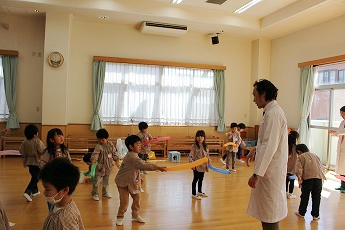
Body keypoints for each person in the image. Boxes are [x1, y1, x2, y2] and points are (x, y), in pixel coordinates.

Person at [246, 79, 288, 230]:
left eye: (255, 95)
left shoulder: (273, 114)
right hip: (269, 171)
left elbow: (270, 146)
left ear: (263, 94)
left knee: (270, 215)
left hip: (270, 173)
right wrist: (255, 148)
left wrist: (256, 175)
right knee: (266, 213)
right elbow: (267, 141)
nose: (253, 99)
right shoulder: (271, 112)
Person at [115, 135, 166, 226]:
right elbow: (143, 165)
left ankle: (135, 215)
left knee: (137, 197)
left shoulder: (134, 155)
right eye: (138, 145)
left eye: (140, 144)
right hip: (122, 182)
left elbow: (134, 169)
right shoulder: (132, 157)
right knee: (124, 202)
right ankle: (120, 217)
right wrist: (157, 167)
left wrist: (139, 178)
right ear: (131, 147)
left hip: (132, 181)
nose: (140, 146)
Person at [40, 158, 85, 230]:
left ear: (65, 190)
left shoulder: (66, 219)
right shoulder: (58, 204)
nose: (44, 193)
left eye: (47, 189)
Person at [39, 128, 71, 211]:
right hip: (52, 180)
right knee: (52, 197)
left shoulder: (65, 150)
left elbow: (69, 162)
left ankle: (61, 211)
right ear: (52, 140)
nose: (62, 137)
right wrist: (50, 171)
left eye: (62, 135)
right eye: (59, 135)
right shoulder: (48, 152)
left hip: (63, 179)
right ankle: (52, 213)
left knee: (62, 196)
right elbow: (42, 164)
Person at [294, 144, 326, 220]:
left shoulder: (301, 157)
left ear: (299, 151)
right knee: (317, 197)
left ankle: (301, 212)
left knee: (305, 196)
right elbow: (321, 167)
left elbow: (298, 170)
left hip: (308, 179)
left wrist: (299, 179)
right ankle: (316, 215)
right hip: (318, 179)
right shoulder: (315, 155)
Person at [90, 128, 120, 201]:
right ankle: (95, 193)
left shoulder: (111, 145)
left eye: (102, 139)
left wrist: (116, 160)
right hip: (100, 167)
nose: (101, 141)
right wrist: (94, 159)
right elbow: (96, 153)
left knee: (106, 182)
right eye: (99, 139)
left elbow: (114, 153)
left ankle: (105, 192)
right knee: (96, 181)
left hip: (108, 166)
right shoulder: (98, 146)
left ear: (107, 138)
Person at [19, 124, 46, 202]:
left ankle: (35, 191)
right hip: (36, 162)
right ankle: (27, 191)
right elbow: (43, 150)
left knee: (34, 176)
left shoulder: (25, 142)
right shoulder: (37, 141)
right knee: (36, 177)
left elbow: (21, 151)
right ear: (35, 134)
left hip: (29, 162)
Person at [189, 130, 210, 200]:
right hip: (196, 166)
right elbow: (191, 156)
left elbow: (207, 155)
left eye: (201, 136)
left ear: (204, 137)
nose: (200, 138)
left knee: (201, 178)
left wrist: (208, 162)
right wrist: (192, 165)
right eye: (198, 136)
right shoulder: (194, 146)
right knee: (195, 179)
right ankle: (193, 193)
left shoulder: (206, 146)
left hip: (203, 166)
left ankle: (199, 191)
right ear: (196, 137)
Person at [329, 106, 345, 192]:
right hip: (342, 147)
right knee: (341, 168)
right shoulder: (342, 122)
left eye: (343, 114)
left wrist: (336, 132)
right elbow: (340, 131)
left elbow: (343, 132)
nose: (342, 116)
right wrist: (334, 132)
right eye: (341, 114)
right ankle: (342, 185)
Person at [286, 133, 298, 199]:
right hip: (293, 168)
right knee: (292, 181)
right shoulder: (296, 148)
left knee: (286, 181)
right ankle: (290, 194)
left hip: (286, 167)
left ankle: (285, 192)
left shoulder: (286, 147)